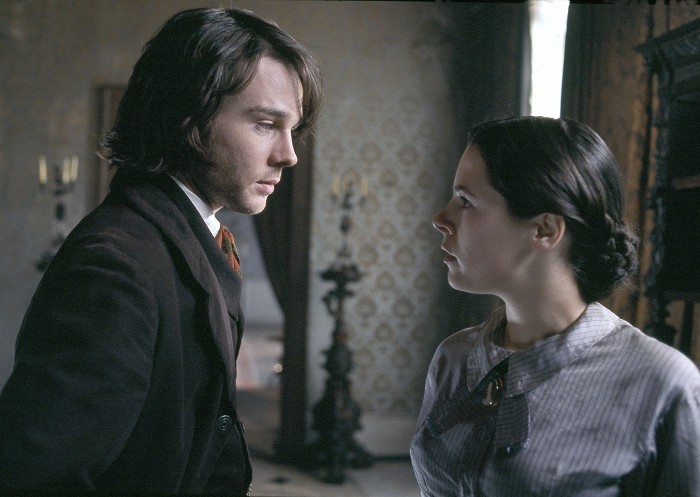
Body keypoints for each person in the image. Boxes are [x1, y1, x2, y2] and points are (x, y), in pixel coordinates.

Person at [0, 7, 321, 495]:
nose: (289, 154)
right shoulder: (114, 266)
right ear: (189, 118)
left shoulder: (189, 236)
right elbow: (36, 476)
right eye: (264, 124)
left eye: (291, 129)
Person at [411, 116, 700, 496]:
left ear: (545, 229)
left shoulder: (662, 382)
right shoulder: (455, 358)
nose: (440, 219)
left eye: (465, 201)